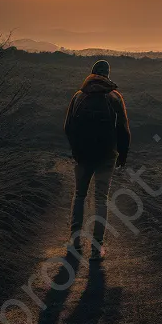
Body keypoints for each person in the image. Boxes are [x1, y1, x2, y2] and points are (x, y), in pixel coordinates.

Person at [63, 59, 130, 259]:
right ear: (108, 75)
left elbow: (67, 127)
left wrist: (76, 150)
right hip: (106, 155)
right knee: (101, 199)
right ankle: (96, 247)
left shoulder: (78, 96)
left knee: (80, 195)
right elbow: (124, 129)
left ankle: (75, 242)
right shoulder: (115, 96)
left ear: (91, 73)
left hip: (82, 155)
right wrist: (122, 154)